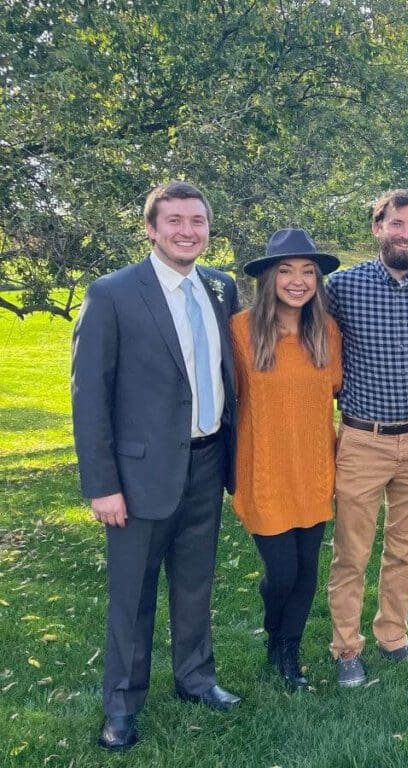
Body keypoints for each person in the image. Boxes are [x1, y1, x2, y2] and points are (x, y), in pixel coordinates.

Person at [71, 181, 241, 752]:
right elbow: (89, 396)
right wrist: (102, 486)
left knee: (195, 586)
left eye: (197, 220)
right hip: (139, 478)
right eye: (174, 221)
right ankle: (120, 705)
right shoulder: (113, 293)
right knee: (132, 596)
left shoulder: (221, 288)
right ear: (151, 227)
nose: (187, 230)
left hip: (207, 462)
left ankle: (196, 679)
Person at [325, 190, 408, 688]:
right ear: (377, 227)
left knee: (405, 549)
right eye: (396, 224)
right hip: (362, 438)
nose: (405, 234)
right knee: (351, 552)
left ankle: (394, 638)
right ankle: (345, 648)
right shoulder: (342, 287)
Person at [230, 228, 342, 688]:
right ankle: (274, 628)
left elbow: (332, 391)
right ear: (269, 277)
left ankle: (289, 652)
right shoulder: (240, 330)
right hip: (263, 471)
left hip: (314, 469)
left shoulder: (327, 333)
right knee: (281, 572)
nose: (298, 281)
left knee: (306, 570)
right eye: (287, 271)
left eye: (308, 272)